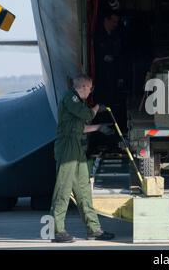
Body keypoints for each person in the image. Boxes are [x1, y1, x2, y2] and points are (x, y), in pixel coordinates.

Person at [50, 75, 115, 243]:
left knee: (83, 189)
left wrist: (99, 128)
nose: (90, 91)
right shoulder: (70, 98)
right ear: (84, 86)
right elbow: (86, 115)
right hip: (67, 147)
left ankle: (94, 229)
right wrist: (97, 108)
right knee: (63, 188)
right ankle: (57, 230)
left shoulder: (77, 102)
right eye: (91, 88)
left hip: (76, 147)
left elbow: (80, 127)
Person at [94, 11, 122, 108]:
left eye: (116, 22)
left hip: (113, 72)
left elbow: (119, 53)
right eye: (113, 21)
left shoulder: (116, 36)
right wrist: (103, 57)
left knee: (111, 97)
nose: (115, 24)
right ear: (106, 20)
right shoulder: (98, 35)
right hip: (101, 72)